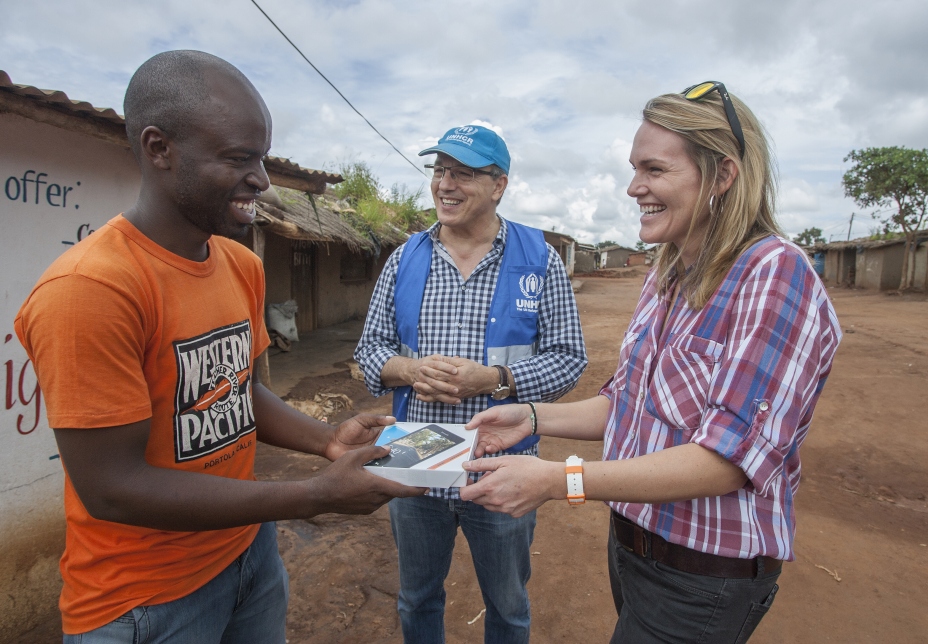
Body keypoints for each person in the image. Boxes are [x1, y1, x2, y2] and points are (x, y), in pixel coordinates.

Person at [15, 50, 422, 643]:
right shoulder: (90, 291)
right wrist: (310, 496)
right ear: (159, 149)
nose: (260, 178)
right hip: (145, 602)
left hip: (248, 557)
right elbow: (111, 487)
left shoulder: (238, 263)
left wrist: (325, 440)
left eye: (260, 156)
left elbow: (243, 391)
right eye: (237, 158)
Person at [459, 82, 842, 643]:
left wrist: (559, 480)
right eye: (635, 169)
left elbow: (727, 460)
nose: (635, 187)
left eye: (654, 170)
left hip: (701, 578)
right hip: (635, 548)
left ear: (723, 176)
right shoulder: (667, 272)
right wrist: (531, 416)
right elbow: (626, 403)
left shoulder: (774, 273)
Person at [354, 124, 587, 643]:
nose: (445, 184)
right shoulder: (404, 259)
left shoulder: (539, 260)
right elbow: (369, 352)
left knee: (507, 605)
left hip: (501, 464)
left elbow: (570, 359)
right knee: (417, 598)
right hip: (413, 458)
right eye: (439, 171)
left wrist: (497, 378)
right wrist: (410, 371)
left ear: (498, 184)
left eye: (463, 173)